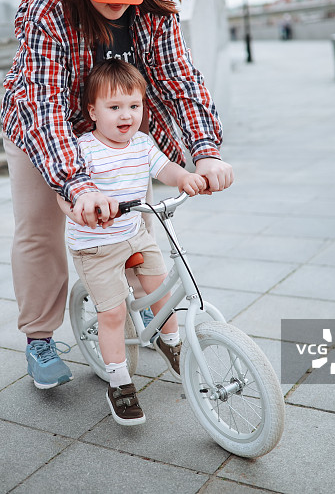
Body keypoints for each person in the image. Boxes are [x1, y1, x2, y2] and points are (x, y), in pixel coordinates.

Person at [1, 0, 234, 390]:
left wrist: (205, 152)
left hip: (118, 131)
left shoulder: (154, 7)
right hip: (45, 129)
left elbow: (180, 80)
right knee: (39, 230)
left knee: (138, 221)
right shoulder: (49, 9)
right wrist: (76, 184)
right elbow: (44, 105)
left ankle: (146, 311)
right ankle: (40, 339)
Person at [58, 58, 207, 424]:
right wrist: (78, 209)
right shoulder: (83, 149)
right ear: (93, 112)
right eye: (114, 107)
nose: (126, 115)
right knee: (112, 314)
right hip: (96, 247)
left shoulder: (141, 143)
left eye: (134, 106)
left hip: (134, 233)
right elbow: (63, 190)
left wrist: (183, 177)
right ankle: (119, 382)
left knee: (161, 290)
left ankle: (170, 343)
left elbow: (163, 167)